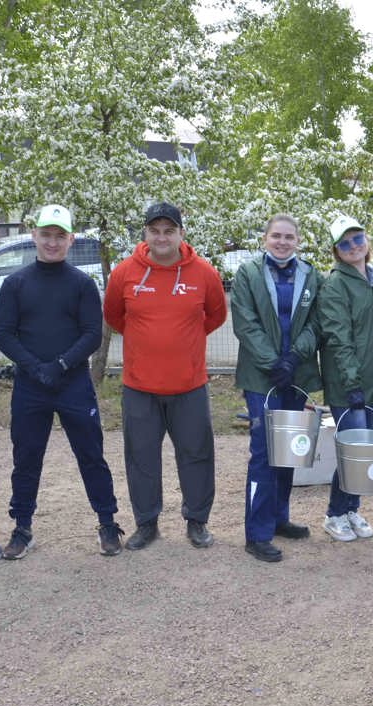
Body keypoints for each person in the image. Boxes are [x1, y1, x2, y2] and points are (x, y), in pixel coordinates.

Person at [0, 204, 123, 559]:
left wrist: (62, 364)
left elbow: (91, 334)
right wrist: (35, 368)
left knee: (91, 454)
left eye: (59, 236)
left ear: (71, 240)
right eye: (46, 235)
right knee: (26, 457)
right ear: (33, 235)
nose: (52, 242)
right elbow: (5, 335)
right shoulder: (15, 283)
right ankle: (22, 527)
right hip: (30, 385)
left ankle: (107, 522)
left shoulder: (81, 284)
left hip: (73, 384)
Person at [102, 201, 227, 551]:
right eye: (155, 231)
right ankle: (147, 523)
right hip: (139, 387)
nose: (162, 237)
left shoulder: (204, 273)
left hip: (189, 385)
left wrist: (181, 343)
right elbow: (114, 316)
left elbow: (214, 316)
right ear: (145, 233)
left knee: (197, 454)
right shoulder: (124, 273)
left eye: (169, 231)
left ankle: (197, 520)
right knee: (141, 456)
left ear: (181, 233)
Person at [230, 214, 322, 562]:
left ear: (297, 241)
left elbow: (316, 321)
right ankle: (257, 532)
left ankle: (279, 518)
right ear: (265, 239)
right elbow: (245, 322)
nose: (282, 242)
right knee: (265, 453)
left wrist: (294, 358)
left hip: (295, 375)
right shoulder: (248, 274)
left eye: (289, 237)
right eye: (276, 236)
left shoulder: (311, 275)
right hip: (261, 377)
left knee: (288, 450)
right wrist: (273, 363)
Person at [317, 215, 373, 542]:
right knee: (354, 454)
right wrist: (352, 383)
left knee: (364, 454)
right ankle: (335, 514)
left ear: (366, 239)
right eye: (345, 243)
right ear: (337, 250)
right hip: (350, 386)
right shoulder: (335, 284)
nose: (354, 246)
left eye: (357, 238)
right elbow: (339, 337)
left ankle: (352, 509)